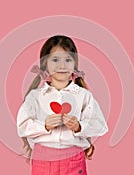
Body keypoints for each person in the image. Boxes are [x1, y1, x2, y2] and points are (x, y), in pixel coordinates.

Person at [17, 35, 108, 175]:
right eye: (55, 60)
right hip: (44, 159)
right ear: (45, 63)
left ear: (74, 64)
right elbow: (22, 126)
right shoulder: (36, 96)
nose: (62, 66)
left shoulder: (83, 95)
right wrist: (44, 126)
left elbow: (99, 125)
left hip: (73, 158)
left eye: (68, 59)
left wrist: (79, 126)